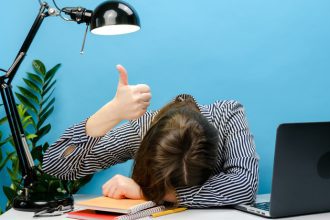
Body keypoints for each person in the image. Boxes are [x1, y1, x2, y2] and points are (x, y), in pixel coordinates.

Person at [42, 65, 259, 208]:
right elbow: (57, 166)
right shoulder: (142, 130)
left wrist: (152, 193)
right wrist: (111, 113)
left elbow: (244, 186)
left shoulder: (228, 115)